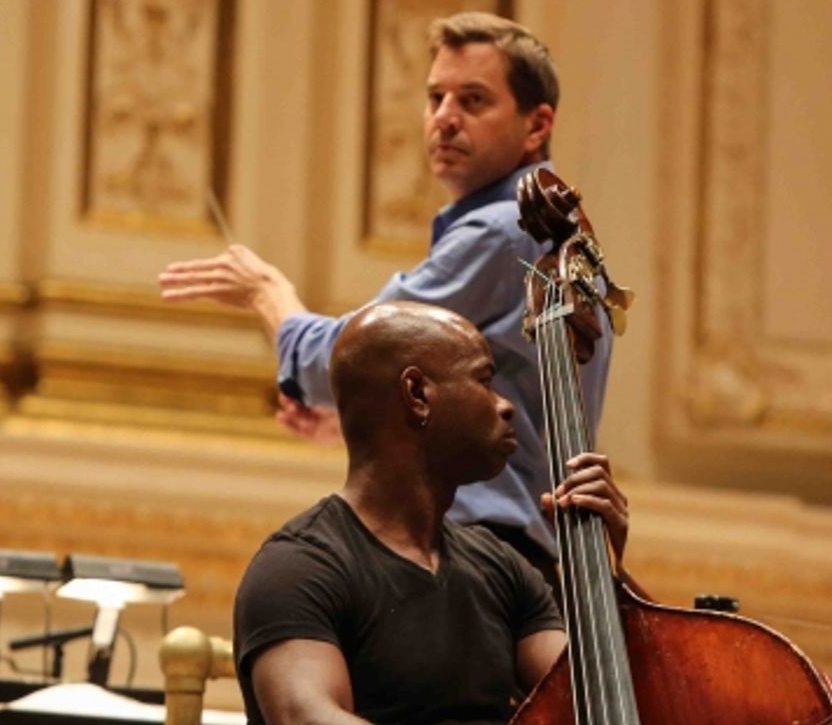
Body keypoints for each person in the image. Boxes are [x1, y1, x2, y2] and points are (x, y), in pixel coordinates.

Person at [159, 13, 611, 589]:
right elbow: (501, 394)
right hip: (522, 557)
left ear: (536, 125)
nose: (445, 117)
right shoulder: (544, 231)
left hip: (481, 552)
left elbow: (348, 355)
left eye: (473, 100)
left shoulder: (504, 231)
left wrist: (269, 294)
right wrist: (369, 415)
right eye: (435, 98)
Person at [234, 301, 628, 725]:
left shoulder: (502, 569)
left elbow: (593, 705)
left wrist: (604, 575)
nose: (505, 406)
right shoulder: (298, 568)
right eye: (484, 380)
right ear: (417, 394)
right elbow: (306, 718)